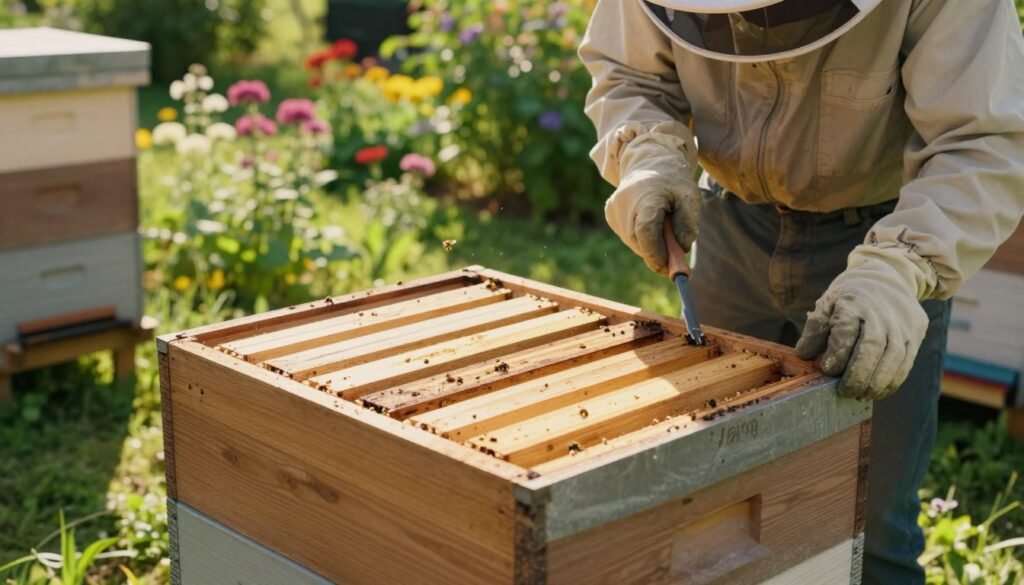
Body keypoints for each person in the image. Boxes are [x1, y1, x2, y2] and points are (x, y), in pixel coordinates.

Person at [579, 0, 1024, 582]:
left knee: (871, 531)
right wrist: (649, 156)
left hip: (883, 240)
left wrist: (899, 268)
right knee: (709, 509)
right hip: (731, 227)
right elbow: (631, 73)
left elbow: (981, 141)